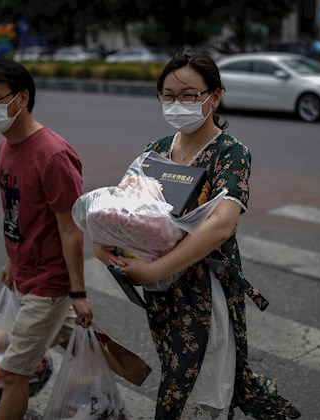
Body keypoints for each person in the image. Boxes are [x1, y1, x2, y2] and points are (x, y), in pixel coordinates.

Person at [93, 51, 301, 419]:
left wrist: (155, 270)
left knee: (197, 377)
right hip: (162, 290)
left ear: (214, 96)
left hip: (206, 287)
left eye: (189, 95)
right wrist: (103, 239)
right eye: (169, 95)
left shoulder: (230, 152)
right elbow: (127, 210)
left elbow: (222, 225)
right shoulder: (154, 151)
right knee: (181, 364)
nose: (177, 104)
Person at [0, 59, 93, 420]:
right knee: (78, 343)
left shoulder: (52, 155)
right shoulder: (5, 147)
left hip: (48, 284)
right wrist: (13, 261)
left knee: (13, 372)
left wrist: (79, 294)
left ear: (22, 98)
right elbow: (19, 214)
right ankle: (101, 388)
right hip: (25, 273)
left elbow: (71, 228)